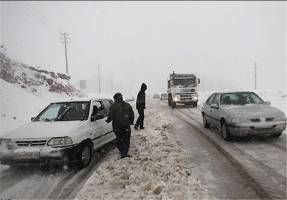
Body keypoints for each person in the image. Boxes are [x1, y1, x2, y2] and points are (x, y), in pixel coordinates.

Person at [106, 93, 134, 158]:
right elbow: (132, 115)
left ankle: (122, 151)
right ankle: (125, 152)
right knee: (126, 139)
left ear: (115, 99)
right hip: (126, 126)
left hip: (117, 126)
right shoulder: (127, 105)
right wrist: (131, 121)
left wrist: (108, 120)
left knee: (119, 139)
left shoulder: (113, 106)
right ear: (121, 98)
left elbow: (110, 116)